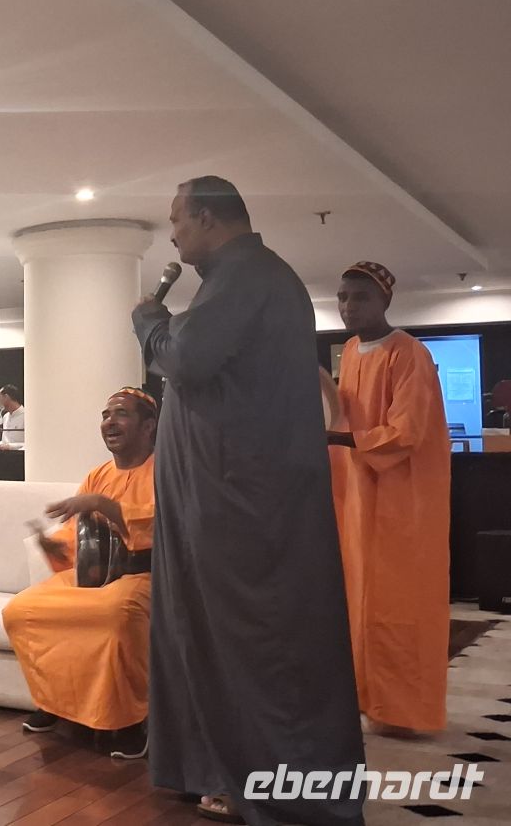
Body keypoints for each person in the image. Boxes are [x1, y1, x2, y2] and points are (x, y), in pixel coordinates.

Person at [132, 176, 363, 825]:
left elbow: (188, 358)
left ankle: (284, 794)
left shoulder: (250, 275)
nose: (172, 234)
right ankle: (219, 773)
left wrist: (149, 321)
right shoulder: (236, 281)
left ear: (208, 217)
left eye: (176, 219)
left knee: (255, 644)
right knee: (206, 637)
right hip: (220, 496)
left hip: (242, 504)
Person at [328, 261, 450, 736]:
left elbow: (406, 431)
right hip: (360, 497)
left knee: (401, 603)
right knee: (362, 602)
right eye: (342, 297)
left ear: (385, 301)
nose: (348, 306)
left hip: (404, 499)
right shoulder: (351, 352)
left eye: (360, 297)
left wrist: (339, 440)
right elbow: (340, 413)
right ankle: (371, 701)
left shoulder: (409, 353)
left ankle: (408, 712)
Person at [2, 388, 157, 759]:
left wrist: (104, 505)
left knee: (117, 613)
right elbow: (79, 536)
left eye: (121, 414)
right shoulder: (97, 475)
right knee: (21, 611)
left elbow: (159, 530)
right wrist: (56, 546)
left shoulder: (167, 470)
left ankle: (131, 722)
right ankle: (53, 704)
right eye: (105, 415)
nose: (110, 423)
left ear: (148, 426)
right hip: (93, 576)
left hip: (145, 575)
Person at [0, 385, 26, 450]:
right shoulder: (5, 417)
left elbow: (32, 444)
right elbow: (5, 441)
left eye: (0, 398)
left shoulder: (27, 416)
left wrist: (10, 446)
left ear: (6, 397)